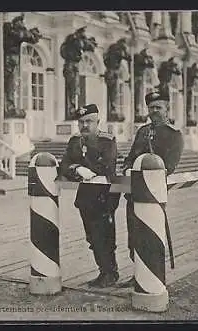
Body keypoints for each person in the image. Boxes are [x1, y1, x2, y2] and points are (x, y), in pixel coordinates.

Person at [119, 88, 184, 287]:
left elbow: (170, 166)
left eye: (158, 107)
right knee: (134, 235)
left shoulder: (174, 135)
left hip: (154, 195)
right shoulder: (142, 131)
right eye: (150, 107)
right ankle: (138, 273)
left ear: (167, 109)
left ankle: (153, 275)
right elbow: (130, 158)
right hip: (133, 193)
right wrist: (127, 169)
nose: (154, 111)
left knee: (152, 235)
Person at [58, 104, 121, 288]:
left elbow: (107, 166)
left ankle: (111, 272)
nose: (85, 125)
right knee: (92, 237)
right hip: (86, 197)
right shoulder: (74, 141)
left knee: (106, 235)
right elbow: (64, 165)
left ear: (98, 122)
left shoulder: (107, 141)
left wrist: (86, 169)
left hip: (106, 196)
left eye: (89, 121)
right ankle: (104, 271)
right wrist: (77, 168)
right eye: (81, 122)